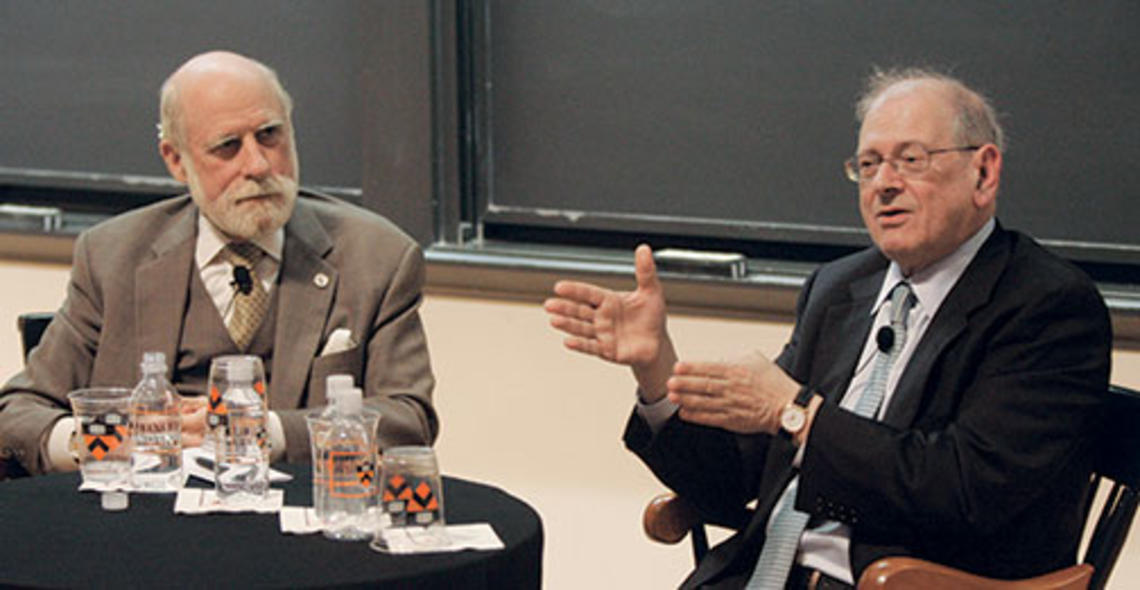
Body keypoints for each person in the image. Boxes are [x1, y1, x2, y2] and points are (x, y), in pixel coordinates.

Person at [544, 68, 1111, 589]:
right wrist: (655, 368)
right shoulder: (841, 288)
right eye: (868, 165)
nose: (883, 184)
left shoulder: (1046, 306)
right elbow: (736, 478)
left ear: (983, 172)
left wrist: (798, 414)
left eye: (910, 160)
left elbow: (962, 488)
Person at [0, 50, 437, 476]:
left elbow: (407, 419)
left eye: (269, 135)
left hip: (297, 519)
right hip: (142, 519)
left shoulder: (376, 257)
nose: (259, 164)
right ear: (176, 160)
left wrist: (264, 432)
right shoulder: (113, 256)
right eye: (228, 147)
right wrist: (107, 441)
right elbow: (17, 412)